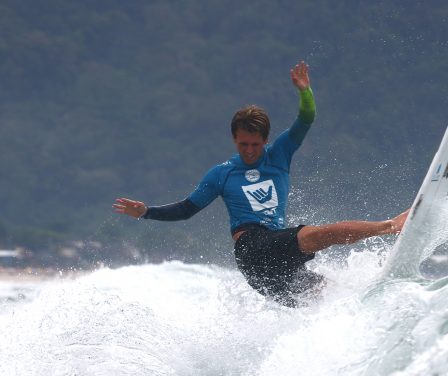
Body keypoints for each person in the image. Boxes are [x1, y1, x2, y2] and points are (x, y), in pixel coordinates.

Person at [114, 61, 408, 307]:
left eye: (255, 144)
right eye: (243, 144)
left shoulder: (279, 154)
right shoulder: (222, 173)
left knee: (338, 299)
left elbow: (306, 118)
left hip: (277, 268)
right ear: (234, 139)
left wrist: (305, 92)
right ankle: (390, 226)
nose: (249, 150)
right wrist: (146, 212)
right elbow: (186, 209)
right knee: (314, 235)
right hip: (252, 251)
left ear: (265, 141)